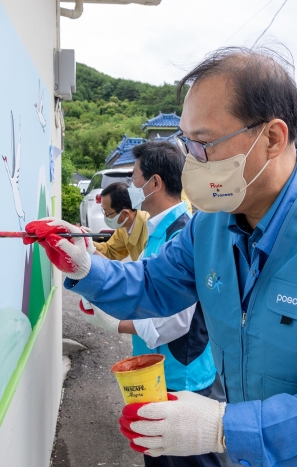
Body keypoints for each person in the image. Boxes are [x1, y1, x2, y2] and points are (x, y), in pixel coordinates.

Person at [25, 47, 297, 466]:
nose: (191, 162)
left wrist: (224, 427)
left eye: (203, 144)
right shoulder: (212, 224)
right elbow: (154, 284)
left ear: (272, 138)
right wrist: (87, 266)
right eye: (187, 144)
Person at [82, 140, 219, 467]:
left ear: (155, 183)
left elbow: (172, 321)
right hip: (156, 368)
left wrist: (114, 323)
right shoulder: (157, 230)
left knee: (182, 459)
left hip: (180, 372)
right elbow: (138, 281)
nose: (131, 186)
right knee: (158, 454)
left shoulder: (181, 233)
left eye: (135, 177)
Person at [94, 182, 149, 261]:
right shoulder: (124, 227)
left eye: (108, 213)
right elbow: (111, 251)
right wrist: (87, 243)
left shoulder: (148, 227)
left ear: (125, 213)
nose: (105, 216)